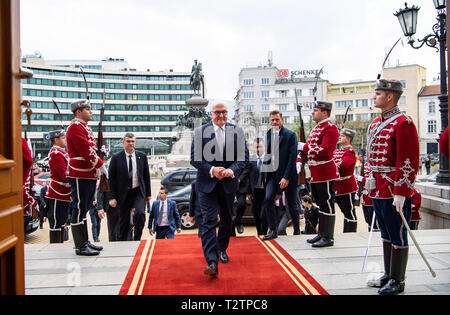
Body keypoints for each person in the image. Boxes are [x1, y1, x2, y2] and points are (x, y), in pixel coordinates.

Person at [365, 79, 419, 295]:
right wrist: (369, 178)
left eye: (378, 94)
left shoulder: (403, 122)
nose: (374, 97)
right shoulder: (376, 123)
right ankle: (389, 274)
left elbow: (407, 160)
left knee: (398, 232)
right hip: (378, 187)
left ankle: (398, 280)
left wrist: (401, 191)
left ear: (390, 96)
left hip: (392, 187)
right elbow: (370, 156)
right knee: (385, 231)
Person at [190, 101, 248, 278]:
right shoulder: (200, 132)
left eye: (224, 112)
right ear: (211, 114)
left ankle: (222, 248)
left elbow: (243, 157)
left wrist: (231, 171)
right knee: (208, 221)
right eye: (218, 112)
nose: (221, 115)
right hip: (207, 185)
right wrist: (212, 170)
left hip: (228, 183)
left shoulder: (236, 131)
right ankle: (212, 261)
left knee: (227, 220)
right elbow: (194, 158)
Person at [66, 100, 107, 256]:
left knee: (84, 208)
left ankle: (85, 241)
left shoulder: (84, 127)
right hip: (79, 172)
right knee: (78, 208)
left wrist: (99, 151)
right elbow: (84, 150)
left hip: (87, 172)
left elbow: (90, 148)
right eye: (88, 109)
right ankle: (80, 245)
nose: (91, 112)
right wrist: (100, 164)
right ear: (78, 112)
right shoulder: (75, 127)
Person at [298, 101, 340, 248]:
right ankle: (322, 233)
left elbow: (325, 150)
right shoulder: (317, 128)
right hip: (316, 173)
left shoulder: (330, 129)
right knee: (321, 204)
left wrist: (305, 147)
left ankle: (328, 237)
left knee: (327, 204)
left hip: (325, 172)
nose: (312, 113)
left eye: (315, 110)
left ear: (324, 113)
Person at [262, 110, 300, 241]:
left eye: (277, 119)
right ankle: (273, 230)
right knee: (268, 199)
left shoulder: (290, 135)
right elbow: (266, 156)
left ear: (281, 119)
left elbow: (292, 157)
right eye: (272, 120)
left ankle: (297, 231)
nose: (274, 122)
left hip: (288, 175)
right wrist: (264, 176)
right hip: (272, 175)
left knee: (292, 204)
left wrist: (286, 177)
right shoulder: (268, 134)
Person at [108, 133, 152, 241]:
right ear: (123, 143)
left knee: (140, 213)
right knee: (124, 221)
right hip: (123, 193)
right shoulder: (116, 157)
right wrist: (111, 197)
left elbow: (146, 176)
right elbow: (111, 179)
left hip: (138, 191)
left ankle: (137, 238)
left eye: (132, 141)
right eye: (128, 141)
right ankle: (122, 242)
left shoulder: (142, 156)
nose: (130, 143)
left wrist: (148, 194)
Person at [45, 129, 72, 244]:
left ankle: (60, 244)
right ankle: (55, 246)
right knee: (56, 222)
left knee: (62, 221)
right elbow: (64, 174)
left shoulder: (63, 153)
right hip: (58, 193)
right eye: (63, 138)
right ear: (56, 140)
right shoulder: (56, 154)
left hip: (64, 193)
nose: (65, 140)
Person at [333, 128, 359, 233]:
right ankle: (347, 231)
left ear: (348, 139)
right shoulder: (339, 151)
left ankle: (351, 232)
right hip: (338, 186)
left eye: (342, 136)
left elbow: (343, 165)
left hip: (346, 186)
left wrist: (331, 165)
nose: (340, 137)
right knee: (344, 210)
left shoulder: (350, 152)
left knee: (349, 211)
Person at [248, 138, 268, 236]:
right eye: (256, 147)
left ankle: (264, 232)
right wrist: (248, 192)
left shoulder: (269, 159)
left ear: (264, 147)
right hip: (255, 192)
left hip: (266, 191)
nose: (258, 149)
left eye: (260, 146)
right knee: (256, 214)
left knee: (264, 214)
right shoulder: (250, 159)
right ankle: (259, 233)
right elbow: (247, 177)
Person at [358, 162, 379, 232]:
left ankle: (375, 234)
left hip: (373, 196)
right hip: (365, 197)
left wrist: (363, 180)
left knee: (374, 221)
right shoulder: (365, 164)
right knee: (368, 220)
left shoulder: (376, 164)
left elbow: (375, 181)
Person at [234, 156, 252, 235]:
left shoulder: (245, 157)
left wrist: (239, 179)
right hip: (229, 183)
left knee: (241, 204)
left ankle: (238, 222)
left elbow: (247, 169)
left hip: (241, 185)